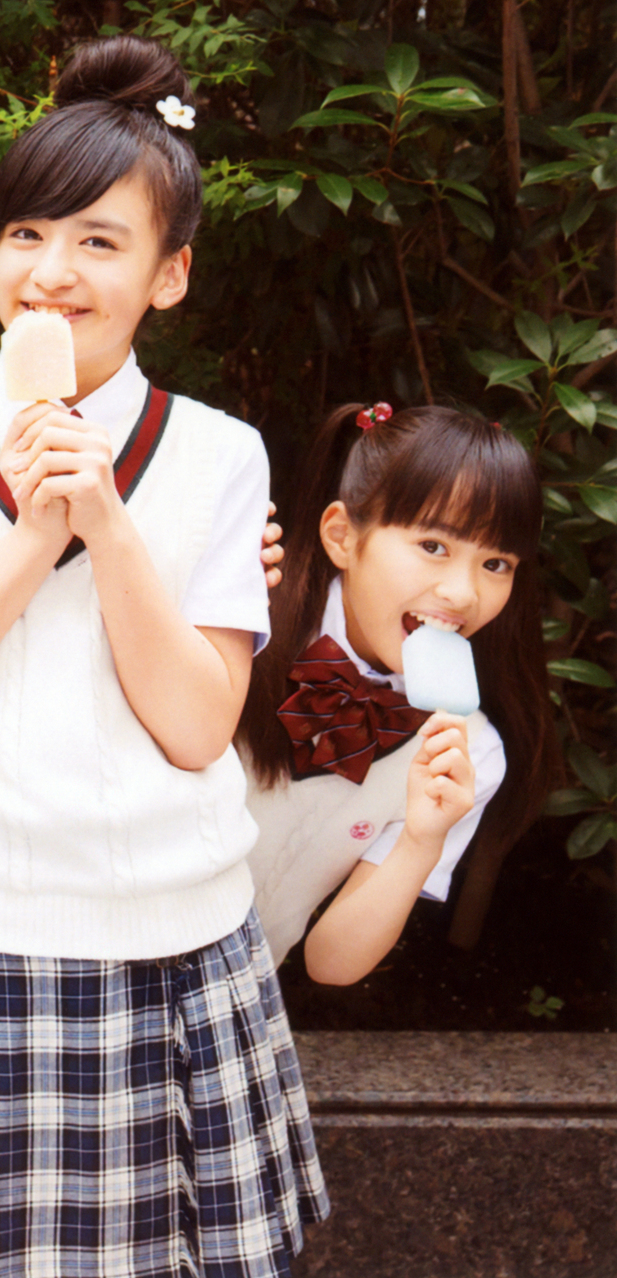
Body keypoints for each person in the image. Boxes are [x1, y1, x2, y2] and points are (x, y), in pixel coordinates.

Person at [0, 35, 328, 1278]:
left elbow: (197, 727)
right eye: (26, 235)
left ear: (168, 275)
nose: (50, 274)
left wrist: (106, 525)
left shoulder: (216, 454)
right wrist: (32, 532)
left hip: (168, 943)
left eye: (99, 242)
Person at [237, 403, 549, 984]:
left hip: (236, 1000)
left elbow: (332, 965)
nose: (463, 593)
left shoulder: (469, 753)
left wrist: (420, 841)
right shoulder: (239, 627)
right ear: (342, 536)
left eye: (496, 562)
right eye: (433, 545)